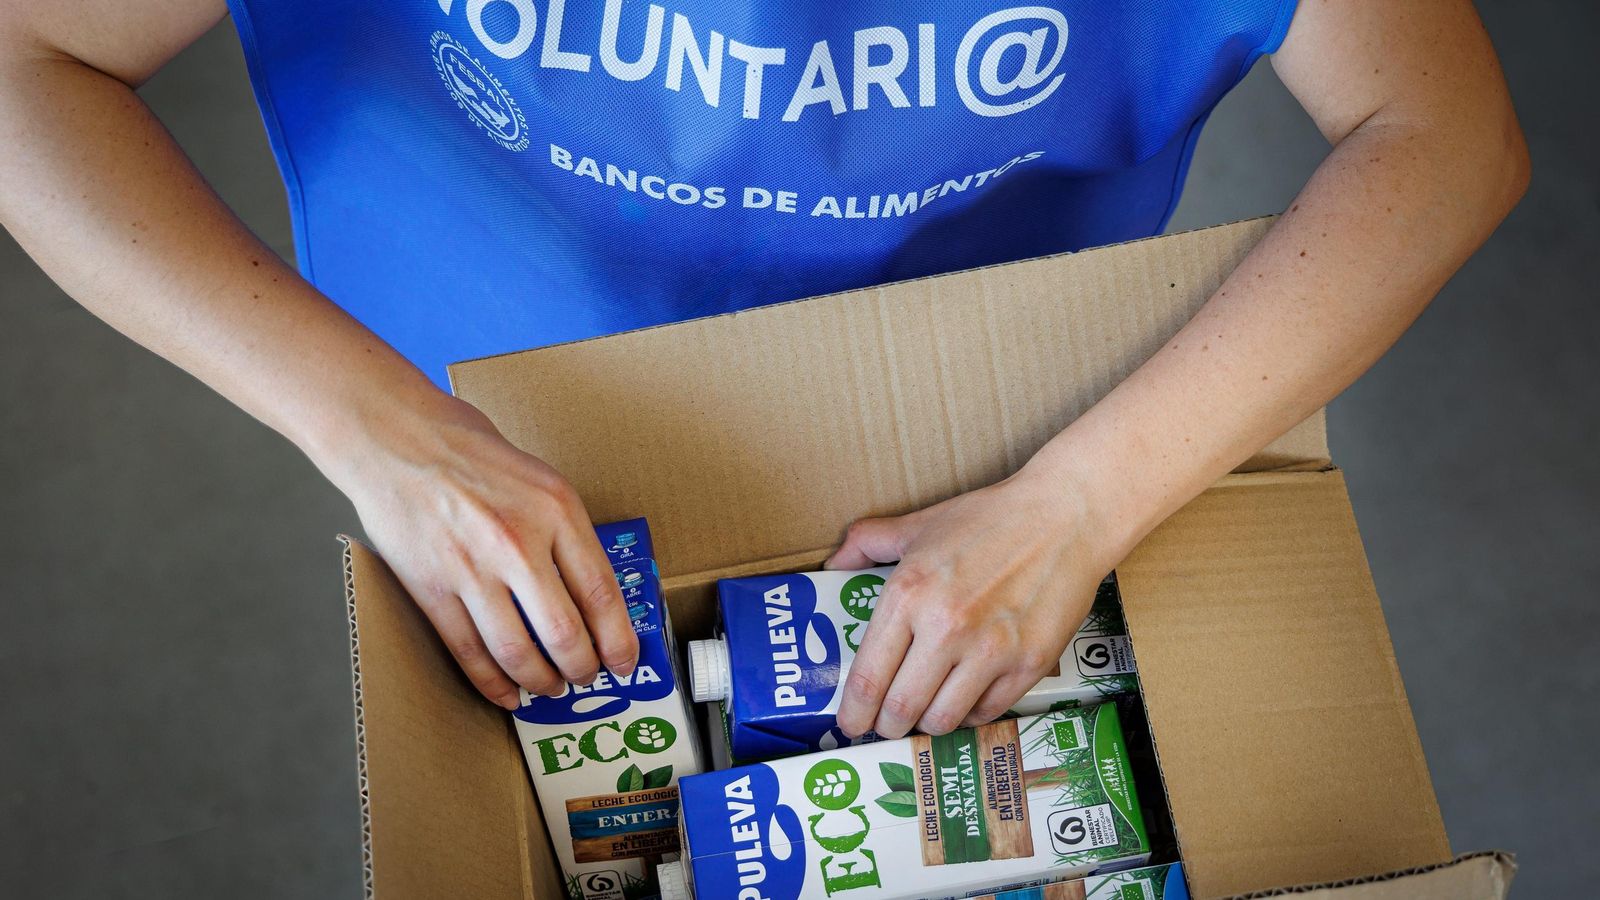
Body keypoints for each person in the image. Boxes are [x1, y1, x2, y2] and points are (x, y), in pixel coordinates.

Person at [0, 1, 1525, 743]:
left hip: (983, 438)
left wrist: (1075, 503)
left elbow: (1442, 132)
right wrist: (380, 429)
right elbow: (28, 60)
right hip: (466, 410)